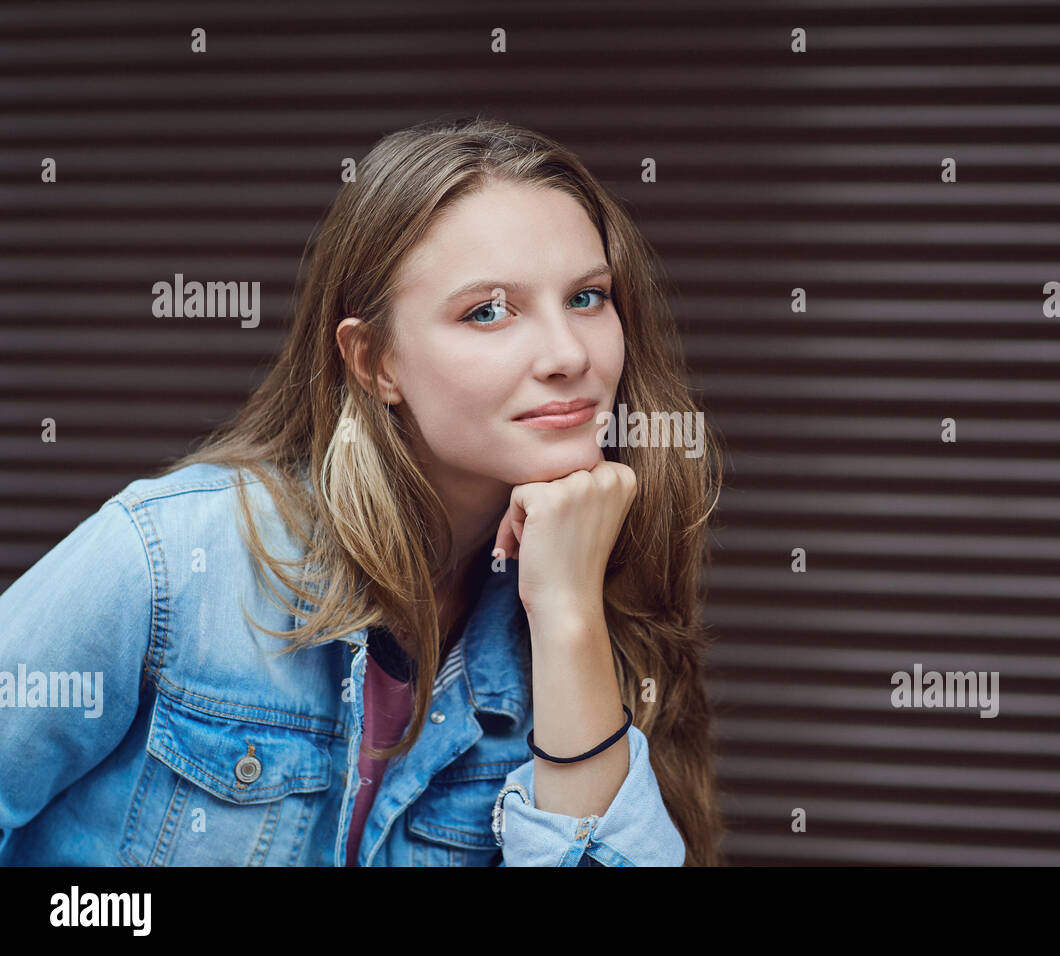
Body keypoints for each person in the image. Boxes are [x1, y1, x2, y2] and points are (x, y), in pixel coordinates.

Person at [0, 116, 724, 866]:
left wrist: (569, 614)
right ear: (375, 361)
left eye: (587, 297)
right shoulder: (169, 562)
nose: (569, 354)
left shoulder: (589, 583)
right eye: (487, 311)